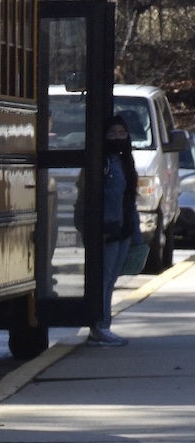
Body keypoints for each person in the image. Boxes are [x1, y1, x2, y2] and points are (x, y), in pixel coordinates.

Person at [76, 114, 143, 347]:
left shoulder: (125, 162)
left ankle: (104, 325)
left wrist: (136, 234)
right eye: (112, 133)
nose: (118, 137)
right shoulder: (100, 164)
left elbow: (130, 199)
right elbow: (88, 198)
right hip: (107, 231)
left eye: (122, 133)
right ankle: (99, 327)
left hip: (123, 230)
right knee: (103, 280)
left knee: (111, 279)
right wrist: (96, 230)